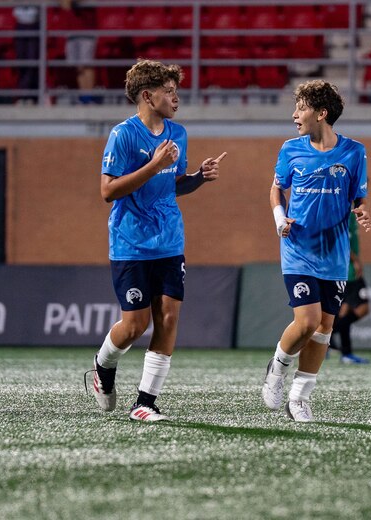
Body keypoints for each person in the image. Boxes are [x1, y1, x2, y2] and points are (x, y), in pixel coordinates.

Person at [88, 59, 227, 422]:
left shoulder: (177, 133)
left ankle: (145, 402)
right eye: (169, 91)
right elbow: (108, 191)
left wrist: (198, 177)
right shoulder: (124, 135)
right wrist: (153, 163)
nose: (176, 97)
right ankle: (103, 366)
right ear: (148, 96)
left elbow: (171, 184)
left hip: (169, 240)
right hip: (130, 242)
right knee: (135, 326)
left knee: (167, 319)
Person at [262, 80, 371, 423]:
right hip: (298, 248)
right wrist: (280, 218)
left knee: (325, 327)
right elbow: (276, 190)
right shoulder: (290, 149)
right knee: (307, 321)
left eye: (302, 108)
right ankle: (277, 368)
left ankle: (300, 398)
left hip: (335, 254)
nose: (295, 115)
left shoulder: (354, 152)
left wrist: (362, 210)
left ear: (321, 113)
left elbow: (359, 197)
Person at [329, 214, 371, 364]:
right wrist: (355, 260)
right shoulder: (341, 214)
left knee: (345, 313)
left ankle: (329, 343)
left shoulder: (352, 214)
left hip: (350, 272)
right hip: (347, 272)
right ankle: (327, 340)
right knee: (362, 309)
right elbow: (340, 242)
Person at [61, 0, 97, 103]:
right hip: (72, 32)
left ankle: (89, 96)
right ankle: (84, 96)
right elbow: (65, 5)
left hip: (87, 32)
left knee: (87, 64)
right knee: (78, 66)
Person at [13, 4, 40, 103]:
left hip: (34, 23)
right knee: (21, 61)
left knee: (32, 60)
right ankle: (23, 95)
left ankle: (30, 96)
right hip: (19, 24)